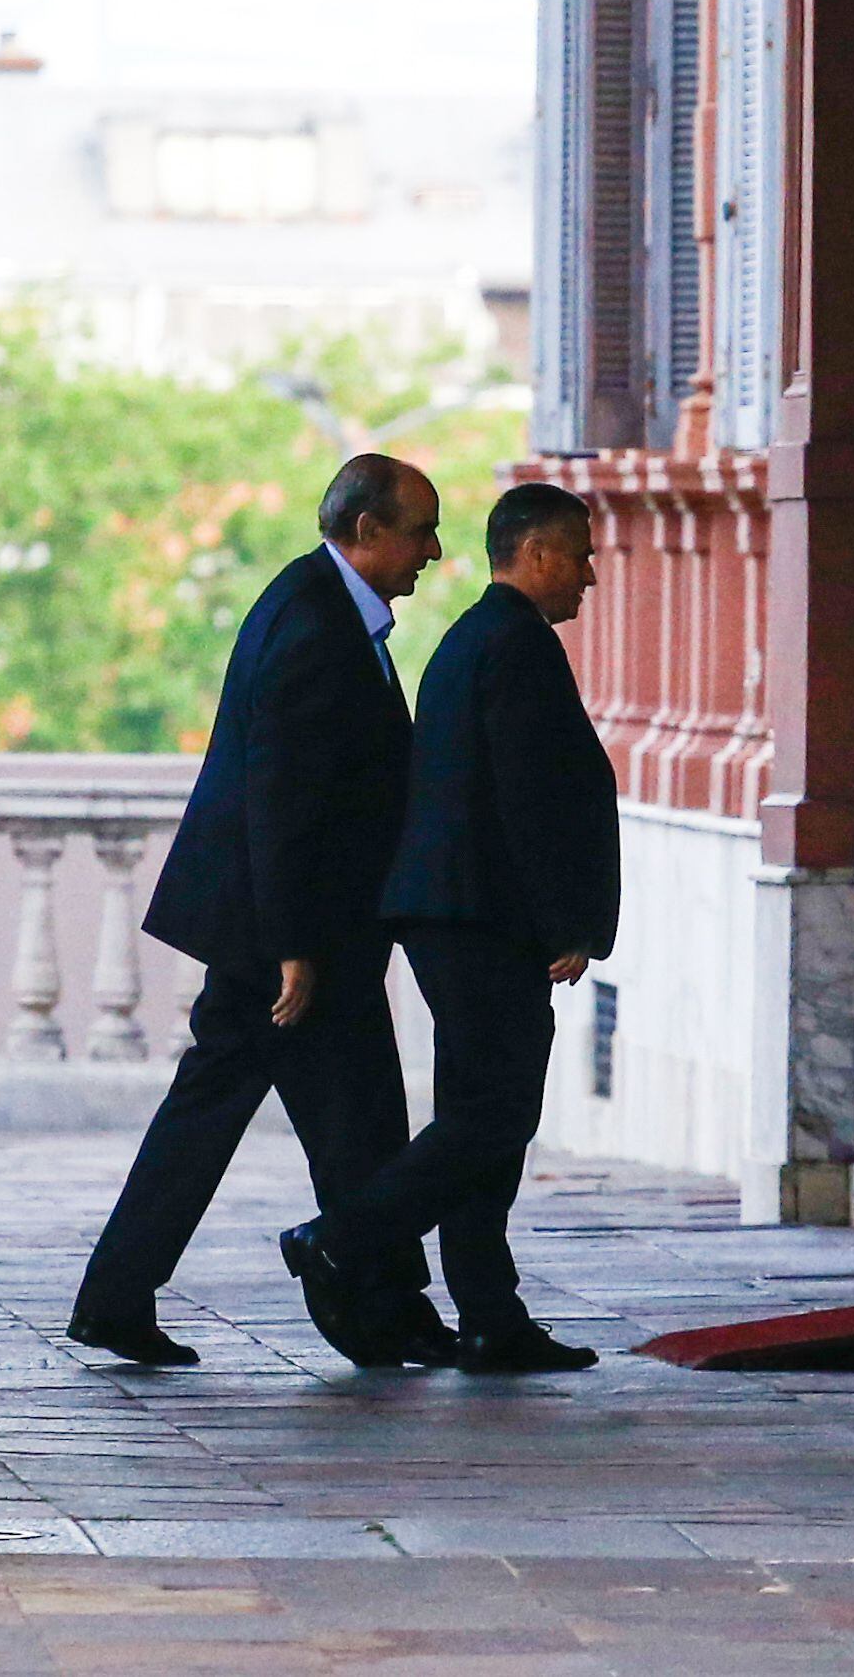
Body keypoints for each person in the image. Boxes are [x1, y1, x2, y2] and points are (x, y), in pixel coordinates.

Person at [68, 454, 453, 1368]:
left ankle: (379, 1306)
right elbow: (278, 798)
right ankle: (376, 1305)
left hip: (315, 932)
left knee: (344, 1119)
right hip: (290, 941)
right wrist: (291, 947)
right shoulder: (315, 625)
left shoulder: (319, 606)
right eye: (419, 531)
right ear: (366, 531)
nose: (433, 552)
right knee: (297, 1116)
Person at [281, 484, 618, 1374]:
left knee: (486, 1116)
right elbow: (527, 804)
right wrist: (567, 921)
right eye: (580, 554)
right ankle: (340, 1239)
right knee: (492, 1115)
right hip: (483, 921)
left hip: (461, 917)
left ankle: (488, 1316)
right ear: (537, 553)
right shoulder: (512, 646)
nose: (590, 573)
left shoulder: (482, 640)